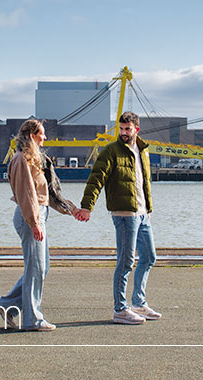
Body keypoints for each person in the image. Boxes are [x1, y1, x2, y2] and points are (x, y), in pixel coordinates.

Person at [75, 110, 160, 325]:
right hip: (124, 215)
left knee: (149, 257)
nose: (123, 133)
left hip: (142, 214)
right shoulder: (111, 151)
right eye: (121, 129)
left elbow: (144, 182)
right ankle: (120, 309)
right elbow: (96, 180)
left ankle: (138, 303)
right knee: (125, 261)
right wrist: (86, 207)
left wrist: (148, 208)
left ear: (136, 129)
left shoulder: (142, 150)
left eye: (127, 129)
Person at [0, 119, 56, 331]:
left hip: (38, 215)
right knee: (35, 269)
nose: (45, 137)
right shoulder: (21, 159)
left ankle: (7, 306)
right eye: (42, 133)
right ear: (32, 135)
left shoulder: (32, 159)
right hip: (30, 216)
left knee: (41, 267)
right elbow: (26, 193)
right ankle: (33, 319)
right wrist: (34, 222)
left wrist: (70, 209)